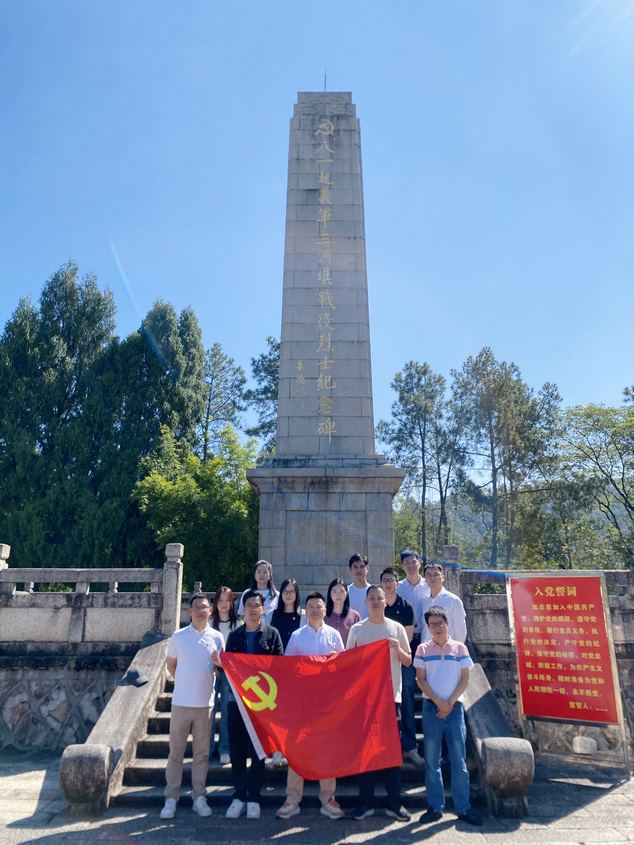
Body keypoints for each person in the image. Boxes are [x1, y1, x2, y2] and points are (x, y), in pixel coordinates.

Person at [214, 589, 284, 820]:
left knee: (258, 751)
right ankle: (239, 795)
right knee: (237, 750)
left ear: (263, 608)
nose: (253, 609)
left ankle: (254, 797)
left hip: (262, 704)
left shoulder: (272, 634)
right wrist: (220, 662)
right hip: (237, 701)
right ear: (243, 609)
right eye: (249, 605)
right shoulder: (235, 636)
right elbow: (230, 666)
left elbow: (279, 666)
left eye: (257, 605)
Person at [276, 592, 346, 820]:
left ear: (325, 610)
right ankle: (292, 798)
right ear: (305, 611)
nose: (315, 610)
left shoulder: (334, 635)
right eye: (311, 606)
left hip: (326, 702)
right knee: (297, 749)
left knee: (327, 751)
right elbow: (288, 668)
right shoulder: (297, 636)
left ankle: (328, 798)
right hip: (302, 702)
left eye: (319, 606)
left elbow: (342, 667)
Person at [346, 585, 412, 822]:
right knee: (365, 753)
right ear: (365, 603)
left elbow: (408, 661)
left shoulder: (396, 628)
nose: (375, 601)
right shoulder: (357, 629)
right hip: (365, 699)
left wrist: (397, 649)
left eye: (379, 598)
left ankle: (394, 802)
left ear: (386, 602)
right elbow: (348, 662)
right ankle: (366, 803)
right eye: (371, 598)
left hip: (390, 698)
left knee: (392, 751)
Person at [415, 606, 481, 826]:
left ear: (447, 623)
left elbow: (465, 679)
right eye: (432, 624)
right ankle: (435, 807)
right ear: (428, 627)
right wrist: (439, 702)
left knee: (459, 759)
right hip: (431, 708)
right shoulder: (423, 649)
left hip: (454, 709)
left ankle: (463, 807)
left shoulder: (460, 648)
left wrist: (449, 703)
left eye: (439, 623)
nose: (436, 627)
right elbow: (420, 679)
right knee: (432, 760)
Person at [160, 592, 224, 820]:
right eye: (196, 606)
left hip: (205, 704)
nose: (200, 610)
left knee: (202, 754)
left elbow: (219, 669)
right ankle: (171, 797)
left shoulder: (217, 637)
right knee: (175, 753)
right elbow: (171, 665)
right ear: (189, 611)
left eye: (204, 607)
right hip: (181, 702)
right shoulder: (179, 636)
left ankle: (199, 796)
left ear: (210, 610)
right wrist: (184, 681)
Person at [380, 567, 423, 767]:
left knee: (407, 702)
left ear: (397, 583)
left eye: (391, 580)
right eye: (385, 580)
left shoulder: (406, 607)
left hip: (403, 661)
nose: (388, 583)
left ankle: (410, 747)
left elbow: (408, 637)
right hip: (381, 664)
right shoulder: (377, 605)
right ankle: (386, 748)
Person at [210, 586, 242, 766]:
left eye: (226, 600)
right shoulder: (209, 622)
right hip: (210, 671)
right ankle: (207, 749)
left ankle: (224, 748)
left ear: (231, 603)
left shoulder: (238, 624)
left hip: (229, 674)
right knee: (209, 711)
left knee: (226, 711)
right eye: (220, 600)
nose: (223, 604)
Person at [416, 563, 467, 644]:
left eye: (436, 574)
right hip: (427, 648)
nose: (432, 578)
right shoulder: (424, 601)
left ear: (443, 578)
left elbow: (460, 630)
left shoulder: (453, 600)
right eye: (429, 575)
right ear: (425, 579)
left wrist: (456, 648)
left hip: (447, 648)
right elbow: (425, 628)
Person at [267, 578, 306, 651]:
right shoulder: (271, 615)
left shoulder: (304, 616)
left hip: (296, 656)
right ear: (281, 593)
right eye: (285, 591)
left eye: (292, 591)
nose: (288, 594)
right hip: (275, 656)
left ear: (296, 594)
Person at [324, 577, 360, 646]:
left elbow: (358, 641)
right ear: (330, 594)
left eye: (341, 591)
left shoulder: (355, 616)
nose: (338, 595)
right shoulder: (323, 615)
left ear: (347, 593)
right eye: (334, 591)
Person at [347, 553, 370, 618]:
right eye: (355, 567)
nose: (359, 570)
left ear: (367, 568)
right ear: (350, 569)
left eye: (362, 566)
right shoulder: (346, 592)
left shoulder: (373, 591)